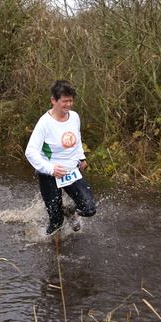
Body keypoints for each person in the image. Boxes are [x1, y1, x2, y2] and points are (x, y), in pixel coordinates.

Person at [25, 80, 96, 235]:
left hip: (71, 171)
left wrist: (81, 158)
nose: (68, 105)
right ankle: (51, 250)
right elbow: (30, 151)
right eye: (65, 101)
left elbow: (76, 138)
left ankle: (70, 211)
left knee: (89, 209)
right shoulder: (44, 123)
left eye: (71, 101)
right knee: (56, 223)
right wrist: (51, 169)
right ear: (53, 100)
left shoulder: (75, 117)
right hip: (49, 174)